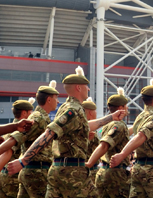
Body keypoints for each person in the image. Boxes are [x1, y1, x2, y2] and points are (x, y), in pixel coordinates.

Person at [6, 66, 126, 197]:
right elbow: (49, 133)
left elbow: (86, 125)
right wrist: (23, 161)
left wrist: (111, 117)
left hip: (62, 170)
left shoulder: (68, 108)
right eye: (86, 86)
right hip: (72, 173)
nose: (88, 89)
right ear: (78, 88)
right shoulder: (73, 110)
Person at [1, 81, 59, 198]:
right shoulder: (39, 118)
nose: (57, 101)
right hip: (36, 172)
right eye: (56, 98)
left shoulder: (41, 117)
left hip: (30, 171)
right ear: (48, 99)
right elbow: (16, 139)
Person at [85, 88, 130, 197]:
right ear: (120, 108)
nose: (127, 108)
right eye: (125, 105)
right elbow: (105, 145)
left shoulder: (108, 125)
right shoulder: (118, 125)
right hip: (116, 175)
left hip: (105, 171)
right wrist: (89, 163)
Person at [0, 98, 34, 198]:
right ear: (24, 113)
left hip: (3, 175)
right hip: (12, 178)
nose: (32, 114)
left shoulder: (9, 128)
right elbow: (7, 152)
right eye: (30, 112)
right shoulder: (21, 131)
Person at [77, 97, 100, 197]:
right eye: (95, 111)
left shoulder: (81, 126)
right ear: (91, 113)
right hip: (88, 170)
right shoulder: (86, 128)